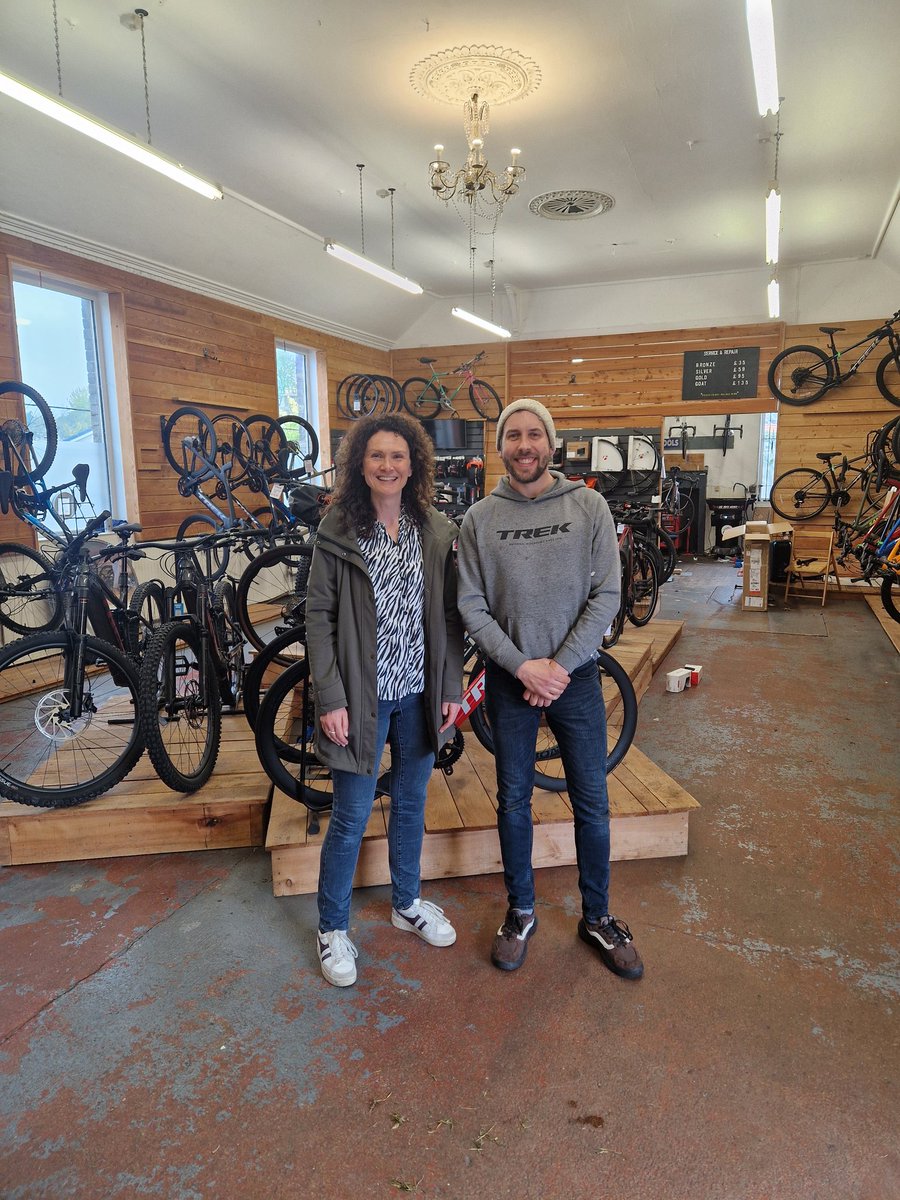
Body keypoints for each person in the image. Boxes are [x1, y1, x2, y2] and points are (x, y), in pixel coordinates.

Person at [456, 398, 643, 980]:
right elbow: (470, 605)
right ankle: (521, 911)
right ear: (501, 448)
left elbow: (607, 597)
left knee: (591, 800)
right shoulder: (480, 519)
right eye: (513, 436)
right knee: (512, 800)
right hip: (511, 682)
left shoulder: (588, 507)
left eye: (534, 434)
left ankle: (599, 916)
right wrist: (522, 668)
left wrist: (557, 667)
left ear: (552, 444)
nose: (524, 445)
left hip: (577, 678)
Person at [305, 413, 464, 987]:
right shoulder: (339, 530)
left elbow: (449, 616)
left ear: (414, 464)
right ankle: (331, 927)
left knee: (413, 805)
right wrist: (331, 697)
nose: (388, 466)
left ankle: (406, 903)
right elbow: (318, 618)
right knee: (349, 816)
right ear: (360, 465)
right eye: (377, 456)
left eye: (398, 456)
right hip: (361, 699)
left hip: (418, 691)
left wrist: (450, 687)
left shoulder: (435, 529)